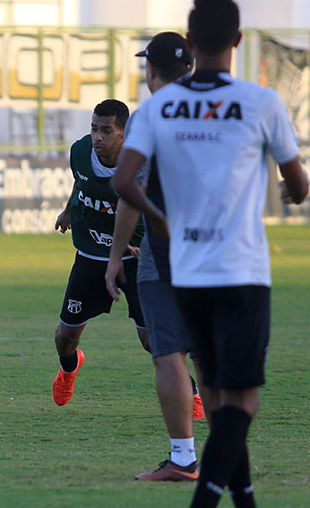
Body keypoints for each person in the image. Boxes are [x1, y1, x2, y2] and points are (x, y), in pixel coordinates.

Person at [113, 0, 308, 508]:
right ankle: (205, 498)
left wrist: (159, 220)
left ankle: (242, 500)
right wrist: (294, 190)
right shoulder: (260, 102)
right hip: (242, 270)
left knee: (219, 396)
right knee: (240, 397)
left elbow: (124, 180)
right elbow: (299, 182)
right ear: (239, 41)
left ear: (191, 42)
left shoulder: (158, 108)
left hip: (187, 272)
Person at [104, 32, 205, 481]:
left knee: (168, 354)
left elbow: (129, 190)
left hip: (164, 252)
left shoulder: (152, 116)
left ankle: (183, 459)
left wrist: (113, 258)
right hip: (218, 249)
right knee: (211, 353)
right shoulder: (219, 109)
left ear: (150, 70)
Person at [51, 99, 147, 407]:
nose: (98, 137)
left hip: (135, 259)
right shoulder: (80, 151)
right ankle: (69, 369)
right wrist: (68, 210)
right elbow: (81, 181)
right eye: (94, 129)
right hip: (91, 254)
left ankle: (192, 392)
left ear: (124, 133)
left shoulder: (141, 163)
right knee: (65, 338)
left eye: (106, 130)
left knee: (152, 341)